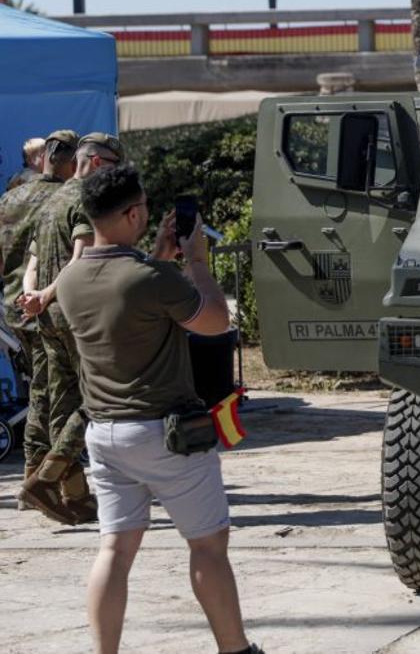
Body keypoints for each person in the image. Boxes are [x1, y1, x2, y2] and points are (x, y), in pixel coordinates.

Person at [55, 165, 261, 654]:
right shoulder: (152, 278)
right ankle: (236, 650)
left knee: (115, 550)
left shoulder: (70, 280)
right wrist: (197, 264)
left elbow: (123, 296)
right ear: (131, 213)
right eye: (144, 206)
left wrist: (158, 259)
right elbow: (214, 322)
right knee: (208, 546)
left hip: (104, 433)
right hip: (166, 435)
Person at [18, 132, 125, 525]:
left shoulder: (52, 200)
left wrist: (34, 296)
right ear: (97, 163)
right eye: (114, 167)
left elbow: (32, 260)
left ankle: (75, 497)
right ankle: (45, 481)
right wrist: (47, 295)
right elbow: (79, 261)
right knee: (97, 399)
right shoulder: (85, 199)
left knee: (61, 403)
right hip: (77, 314)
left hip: (46, 318)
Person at [0, 130, 77, 511]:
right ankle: (40, 480)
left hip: (16, 307)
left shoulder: (10, 198)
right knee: (50, 394)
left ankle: (48, 479)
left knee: (41, 390)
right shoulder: (63, 199)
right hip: (49, 308)